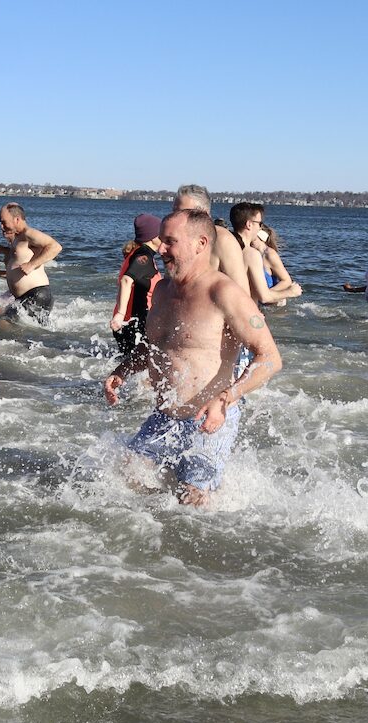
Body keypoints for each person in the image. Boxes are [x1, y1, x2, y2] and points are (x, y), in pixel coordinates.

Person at [103, 209, 282, 506]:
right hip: (164, 418)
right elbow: (155, 345)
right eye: (162, 240)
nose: (161, 249)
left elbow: (270, 357)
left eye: (170, 241)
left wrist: (225, 399)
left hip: (209, 422)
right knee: (122, 483)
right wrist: (122, 370)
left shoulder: (224, 293)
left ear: (200, 244)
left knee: (193, 504)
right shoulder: (162, 290)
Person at [0, 202, 64, 324]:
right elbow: (19, 262)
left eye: (4, 222)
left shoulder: (28, 233)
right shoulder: (18, 238)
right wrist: (3, 251)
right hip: (27, 296)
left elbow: (55, 247)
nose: (1, 226)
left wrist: (32, 265)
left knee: (4, 323)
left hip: (36, 294)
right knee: (31, 330)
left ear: (17, 219)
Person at [173, 184, 249, 293]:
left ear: (204, 213)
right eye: (174, 213)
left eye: (183, 213)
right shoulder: (175, 241)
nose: (176, 218)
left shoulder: (222, 240)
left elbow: (242, 293)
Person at [230, 203, 302, 306]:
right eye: (259, 223)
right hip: (248, 309)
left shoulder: (227, 249)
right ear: (249, 224)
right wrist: (291, 292)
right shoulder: (252, 254)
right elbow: (264, 297)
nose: (260, 228)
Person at [110, 213, 162, 356]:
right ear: (153, 237)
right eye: (162, 233)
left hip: (129, 324)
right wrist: (120, 315)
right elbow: (126, 280)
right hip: (132, 324)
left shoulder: (137, 253)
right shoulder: (144, 257)